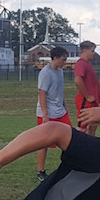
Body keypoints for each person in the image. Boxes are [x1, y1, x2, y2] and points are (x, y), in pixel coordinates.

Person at [35, 46, 72, 181]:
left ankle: (69, 167)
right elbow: (42, 93)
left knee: (71, 139)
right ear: (55, 58)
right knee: (43, 143)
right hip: (48, 114)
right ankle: (40, 171)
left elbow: (59, 91)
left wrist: (65, 106)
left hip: (60, 112)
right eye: (63, 59)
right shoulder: (46, 73)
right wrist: (45, 114)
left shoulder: (60, 71)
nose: (65, 62)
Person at [73, 41, 100, 136]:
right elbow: (78, 80)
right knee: (82, 128)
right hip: (85, 101)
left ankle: (90, 148)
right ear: (85, 50)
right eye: (92, 51)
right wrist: (87, 96)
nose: (93, 53)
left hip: (92, 101)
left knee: (93, 125)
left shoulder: (88, 64)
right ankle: (77, 149)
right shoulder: (81, 63)